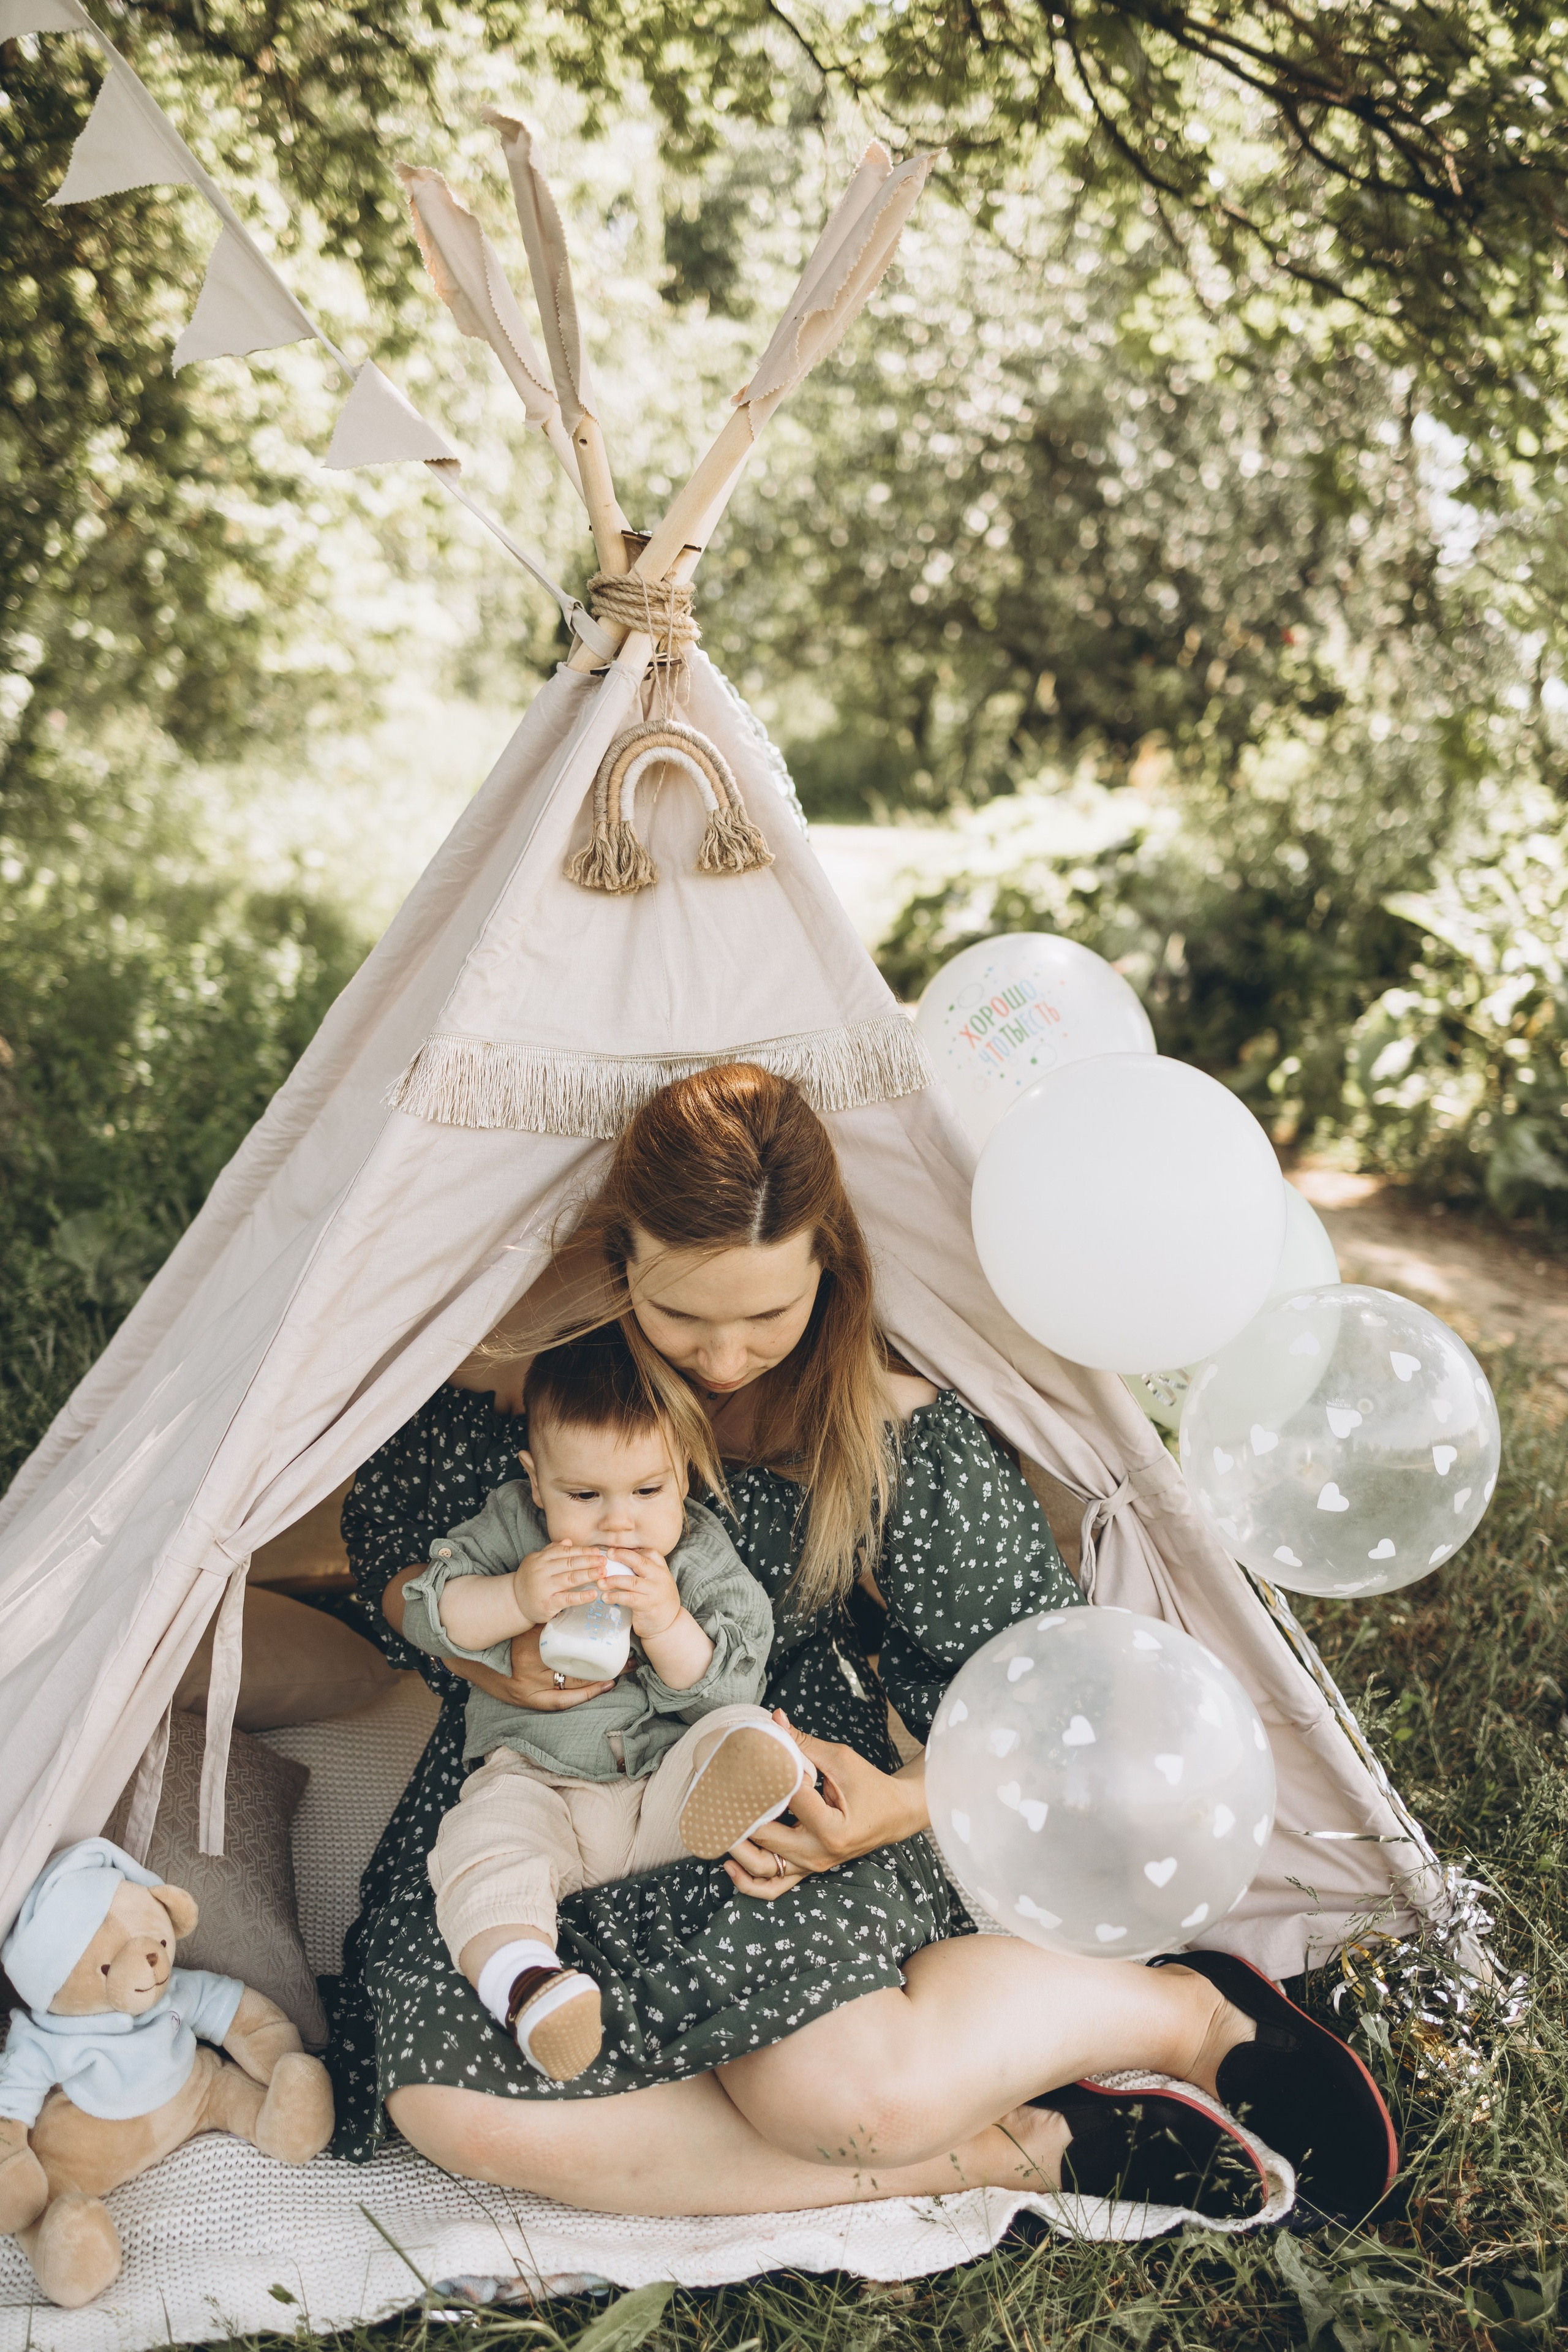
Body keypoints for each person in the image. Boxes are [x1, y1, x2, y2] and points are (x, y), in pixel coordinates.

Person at [328, 1064, 1396, 2225]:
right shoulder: (542, 1394)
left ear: (829, 1267)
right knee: (453, 2106)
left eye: (766, 1318)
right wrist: (484, 1653)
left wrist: (894, 1806)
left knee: (838, 2098)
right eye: (682, 1315)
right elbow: (386, 1546)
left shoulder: (888, 1428)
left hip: (764, 1771)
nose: (724, 1359)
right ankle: (1034, 2148)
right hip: (535, 1775)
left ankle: (1182, 2013)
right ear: (620, 1263)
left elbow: (1039, 1686)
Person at [400, 1331, 806, 2082]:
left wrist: (666, 1622)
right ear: (536, 1482)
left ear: (684, 1475)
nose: (618, 1524)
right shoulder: (513, 1531)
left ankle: (751, 1781)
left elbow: (731, 1676)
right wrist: (516, 1595)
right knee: (481, 1842)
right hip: (539, 1778)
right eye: (584, 1497)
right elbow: (428, 1611)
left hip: (664, 1801)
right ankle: (528, 1984)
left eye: (647, 1492)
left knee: (736, 1725)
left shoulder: (697, 1555)